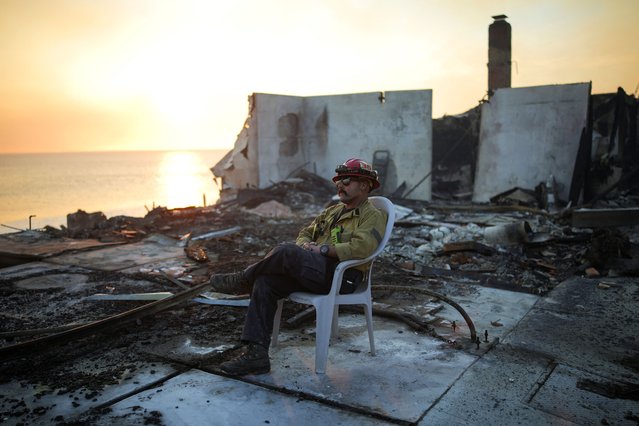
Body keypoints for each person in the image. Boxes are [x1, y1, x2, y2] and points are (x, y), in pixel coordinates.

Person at [210, 158, 388, 376]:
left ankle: (242, 280)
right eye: (338, 181)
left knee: (285, 251)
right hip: (315, 271)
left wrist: (322, 250)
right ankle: (256, 355)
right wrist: (305, 245)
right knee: (265, 282)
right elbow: (305, 232)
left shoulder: (374, 215)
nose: (340, 185)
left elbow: (363, 247)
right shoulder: (332, 212)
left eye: (347, 180)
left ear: (364, 185)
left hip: (342, 276)